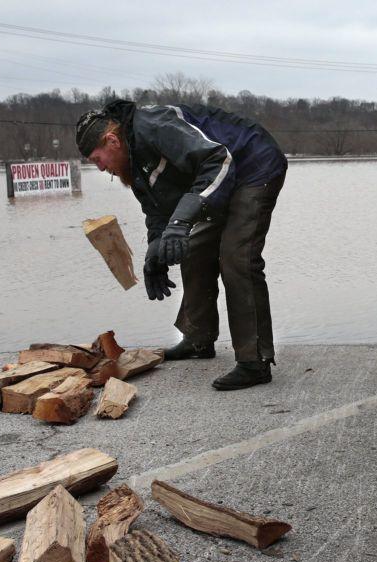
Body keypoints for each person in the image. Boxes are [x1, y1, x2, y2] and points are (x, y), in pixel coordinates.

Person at [75, 99, 287, 390]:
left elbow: (218, 160)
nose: (101, 169)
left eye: (98, 160)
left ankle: (255, 361)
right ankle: (199, 338)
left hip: (252, 164)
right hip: (218, 178)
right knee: (194, 247)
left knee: (237, 257)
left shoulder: (155, 126)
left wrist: (180, 223)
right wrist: (155, 253)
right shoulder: (132, 160)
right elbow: (158, 210)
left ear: (112, 140)